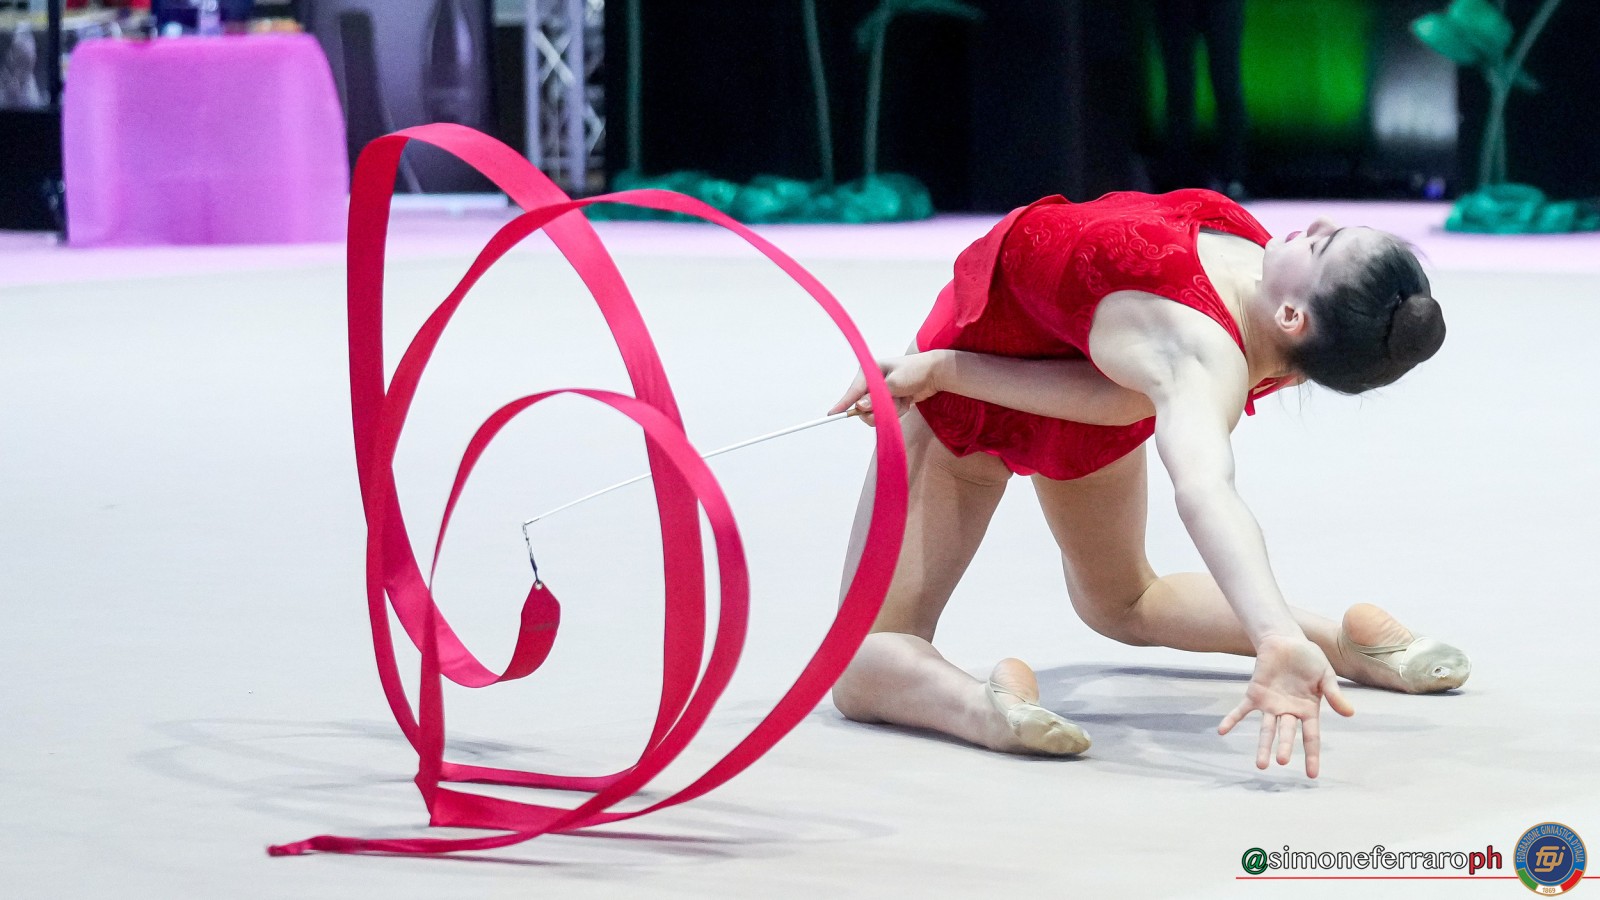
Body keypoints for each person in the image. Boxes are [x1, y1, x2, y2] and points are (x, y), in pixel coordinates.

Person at [827, 188, 1466, 778]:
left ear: (1294, 315)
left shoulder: (1200, 352)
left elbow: (1207, 489)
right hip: (1048, 390)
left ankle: (985, 709)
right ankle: (1347, 648)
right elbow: (1123, 395)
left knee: (860, 658)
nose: (1317, 223)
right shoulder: (1291, 325)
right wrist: (941, 370)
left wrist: (941, 370)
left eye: (1323, 245)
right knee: (1123, 601)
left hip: (967, 403)